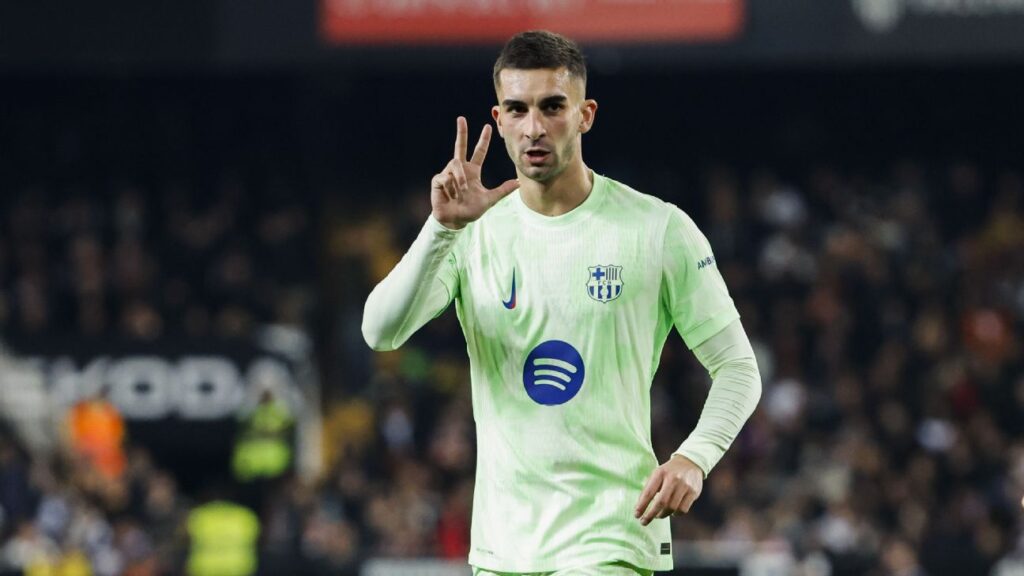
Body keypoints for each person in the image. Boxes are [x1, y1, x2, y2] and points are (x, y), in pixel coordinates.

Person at [362, 30, 761, 575]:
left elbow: (738, 367)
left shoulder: (658, 229)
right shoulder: (471, 234)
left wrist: (696, 455)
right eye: (517, 109)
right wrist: (441, 229)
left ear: (584, 115)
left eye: (552, 107)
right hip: (503, 548)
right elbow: (380, 331)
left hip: (610, 537)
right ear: (498, 119)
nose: (534, 127)